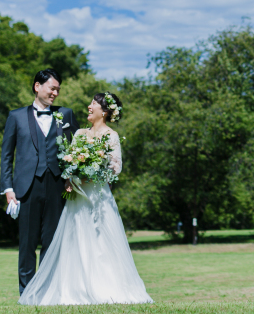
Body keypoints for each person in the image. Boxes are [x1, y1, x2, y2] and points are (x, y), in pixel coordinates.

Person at [18, 92, 153, 305]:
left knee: (101, 243)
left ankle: (105, 288)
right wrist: (71, 176)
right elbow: (69, 161)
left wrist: (93, 172)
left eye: (93, 103)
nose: (89, 106)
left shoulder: (111, 136)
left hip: (99, 198)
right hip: (77, 198)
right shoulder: (80, 133)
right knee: (75, 242)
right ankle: (76, 289)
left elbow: (115, 168)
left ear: (105, 111)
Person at [0, 69, 79, 294]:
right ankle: (26, 293)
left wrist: (72, 176)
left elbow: (78, 146)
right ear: (37, 87)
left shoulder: (66, 114)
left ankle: (47, 291)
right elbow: (6, 156)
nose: (55, 93)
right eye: (52, 88)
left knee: (52, 242)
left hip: (57, 186)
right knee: (27, 243)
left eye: (58, 89)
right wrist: (8, 188)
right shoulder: (16, 117)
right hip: (26, 188)